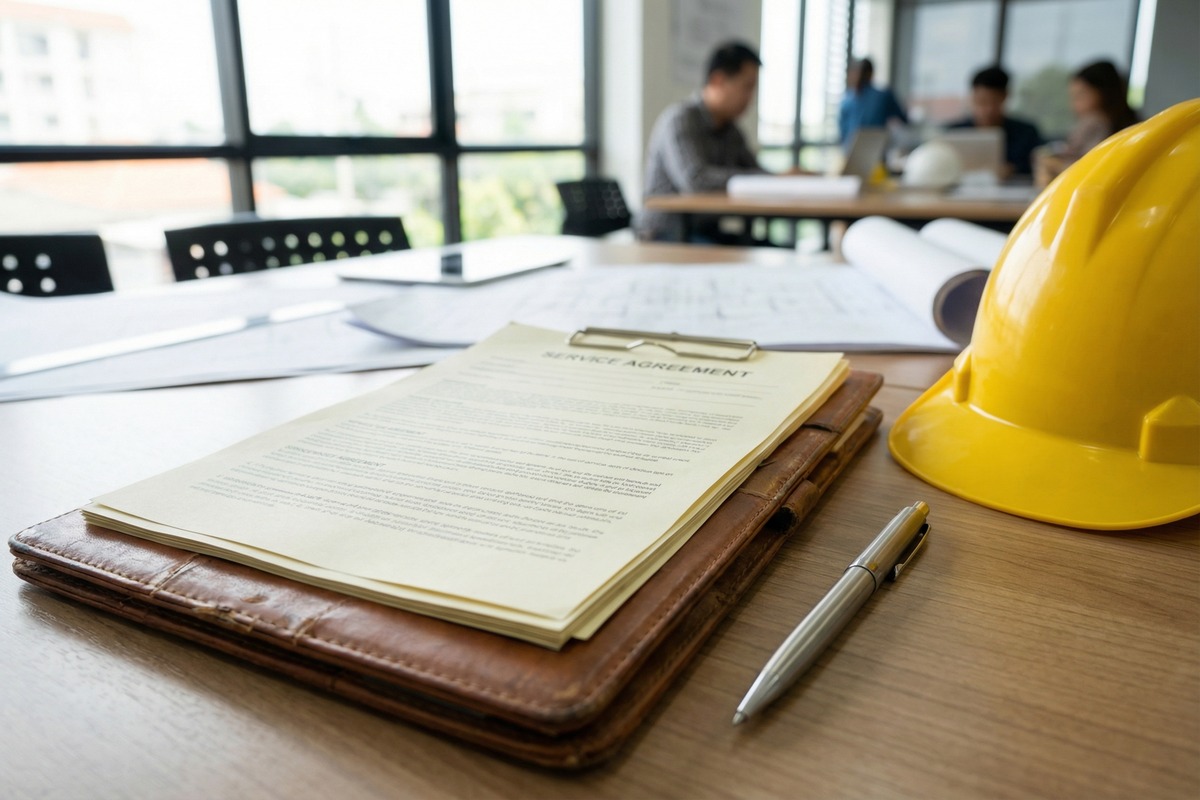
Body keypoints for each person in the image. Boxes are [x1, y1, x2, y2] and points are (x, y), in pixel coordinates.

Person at [637, 41, 771, 243]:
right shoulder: (680, 120)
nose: (750, 99)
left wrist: (780, 179)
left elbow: (754, 171)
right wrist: (757, 180)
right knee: (740, 255)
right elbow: (696, 180)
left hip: (703, 230)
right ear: (718, 80)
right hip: (665, 233)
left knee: (766, 249)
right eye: (747, 87)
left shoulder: (730, 130)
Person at [1034, 60, 1139, 186]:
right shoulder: (1137, 127)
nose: (1074, 105)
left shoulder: (1096, 122)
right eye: (1073, 97)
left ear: (1105, 94)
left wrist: (1054, 164)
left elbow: (1088, 172)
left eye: (1081, 96)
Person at [948, 66, 1043, 178]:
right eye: (982, 102)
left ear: (1005, 97)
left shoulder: (1026, 134)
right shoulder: (954, 132)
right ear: (972, 97)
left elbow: (1039, 166)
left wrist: (1014, 169)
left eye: (994, 102)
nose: (988, 110)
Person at [837, 58, 907, 151]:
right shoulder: (847, 100)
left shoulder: (883, 96)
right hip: (871, 150)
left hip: (862, 151)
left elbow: (842, 134)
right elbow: (903, 119)